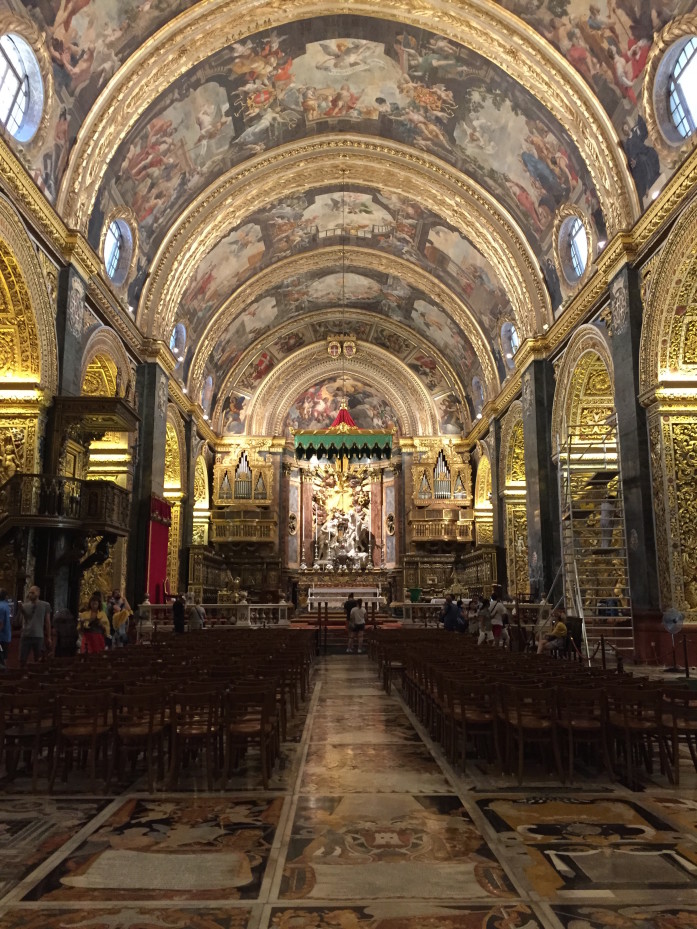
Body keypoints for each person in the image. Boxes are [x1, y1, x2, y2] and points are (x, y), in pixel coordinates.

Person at [19, 585, 52, 667]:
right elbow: (23, 620)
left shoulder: (45, 605)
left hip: (38, 635)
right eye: (29, 593)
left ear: (38, 593)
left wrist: (49, 637)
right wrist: (21, 609)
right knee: (22, 659)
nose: (31, 594)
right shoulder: (25, 605)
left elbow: (47, 622)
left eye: (33, 593)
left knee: (39, 660)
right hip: (26, 635)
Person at [0, 589, 11, 668]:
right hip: (6, 636)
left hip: (1, 637)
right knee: (4, 657)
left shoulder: (0, 606)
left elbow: (0, 623)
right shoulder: (6, 605)